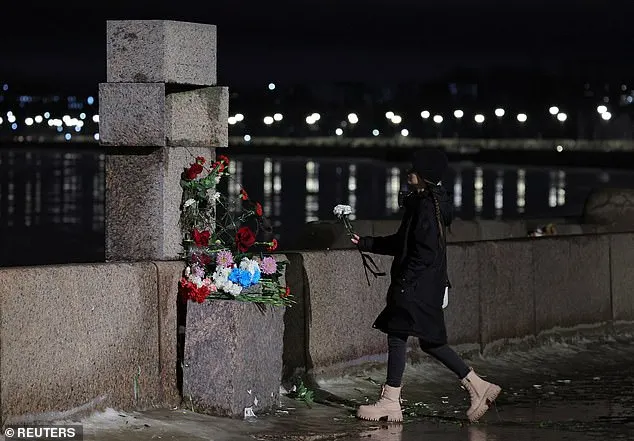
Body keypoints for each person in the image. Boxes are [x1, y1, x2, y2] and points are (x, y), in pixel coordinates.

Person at [351, 148, 501, 423]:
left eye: (414, 168)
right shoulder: (428, 202)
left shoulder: (425, 206)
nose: (409, 171)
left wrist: (407, 282)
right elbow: (403, 242)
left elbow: (425, 251)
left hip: (417, 285)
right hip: (427, 284)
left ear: (424, 175)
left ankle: (390, 401)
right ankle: (478, 386)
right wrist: (367, 243)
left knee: (398, 332)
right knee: (432, 341)